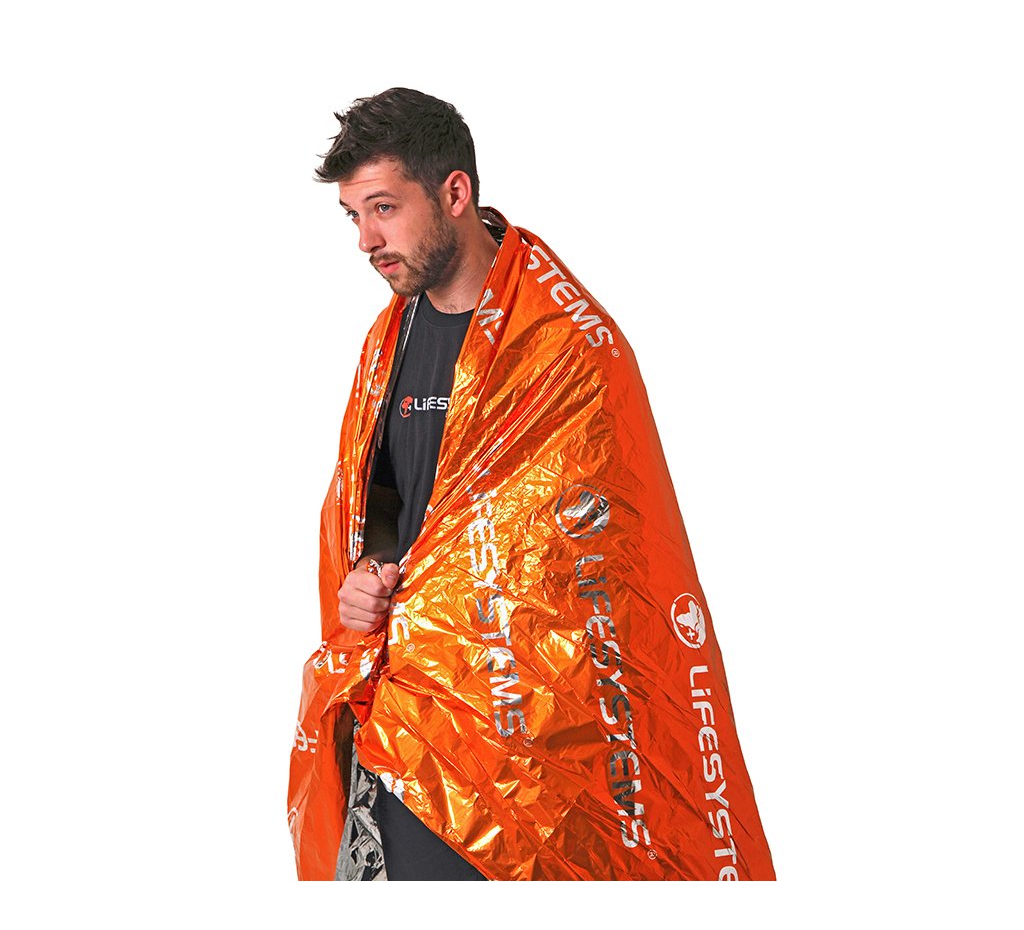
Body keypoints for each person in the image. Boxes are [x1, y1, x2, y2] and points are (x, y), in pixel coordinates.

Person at [288, 88, 776, 882]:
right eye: (353, 216)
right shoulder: (388, 341)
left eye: (383, 208)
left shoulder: (566, 343)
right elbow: (386, 509)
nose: (367, 240)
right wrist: (365, 577)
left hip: (537, 747)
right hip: (406, 733)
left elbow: (606, 569)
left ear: (454, 192)